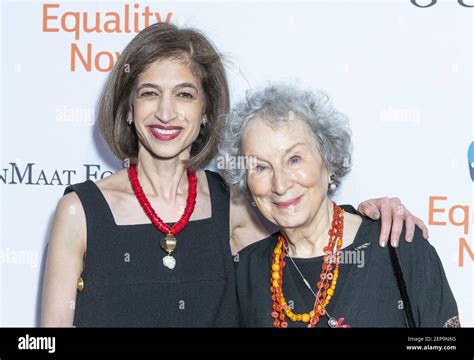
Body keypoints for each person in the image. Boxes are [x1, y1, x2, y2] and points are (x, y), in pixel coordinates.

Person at [41, 23, 428, 327]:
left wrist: (375, 214)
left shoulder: (234, 204)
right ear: (127, 108)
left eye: (185, 94)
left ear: (207, 111)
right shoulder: (79, 212)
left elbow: (308, 232)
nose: (165, 112)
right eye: (148, 93)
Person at [219, 83, 459, 327]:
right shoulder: (244, 274)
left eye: (294, 159)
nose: (280, 184)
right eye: (260, 167)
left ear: (329, 160)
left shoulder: (398, 245)